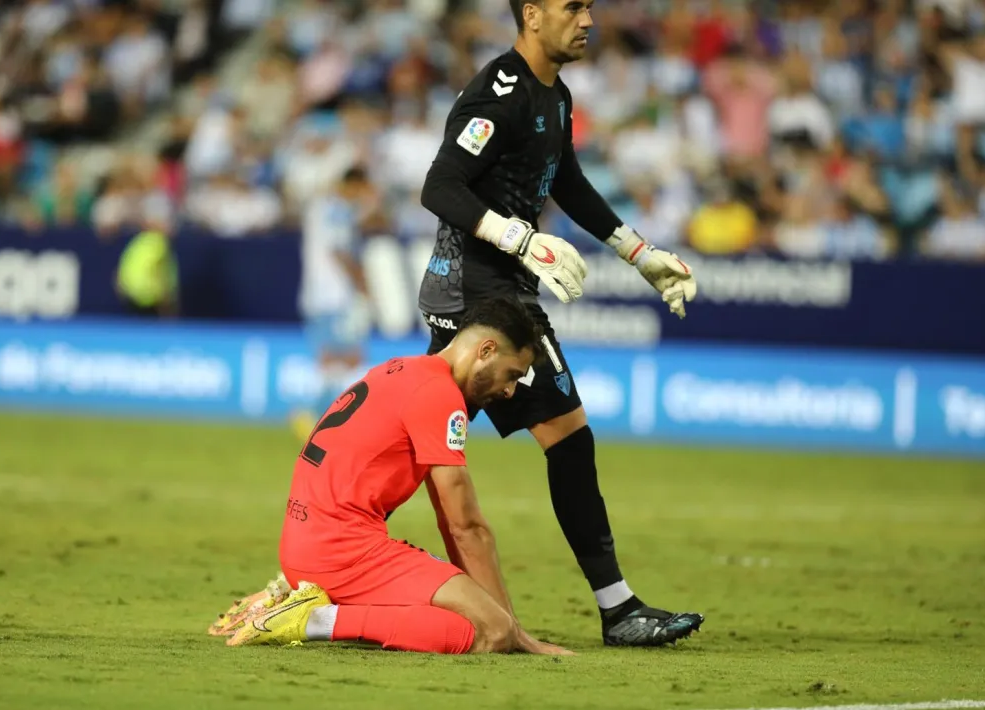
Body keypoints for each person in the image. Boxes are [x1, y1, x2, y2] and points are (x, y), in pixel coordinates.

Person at [415, 0, 703, 647]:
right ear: (532, 15)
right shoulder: (501, 91)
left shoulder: (556, 97)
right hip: (483, 298)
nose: (588, 20)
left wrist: (640, 253)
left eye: (589, 7)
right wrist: (518, 238)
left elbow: (566, 181)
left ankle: (327, 557)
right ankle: (619, 608)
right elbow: (440, 185)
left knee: (420, 438)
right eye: (572, 7)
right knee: (569, 439)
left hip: (475, 290)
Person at [222, 297, 573, 655]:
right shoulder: (439, 395)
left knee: (477, 621)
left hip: (305, 544)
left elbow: (447, 518)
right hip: (342, 551)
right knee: (491, 633)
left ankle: (285, 598)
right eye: (512, 374)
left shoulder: (399, 369)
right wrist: (511, 630)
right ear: (486, 349)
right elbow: (465, 526)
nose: (510, 390)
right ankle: (315, 620)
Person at [291, 165, 377, 441]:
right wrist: (362, 281)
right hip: (335, 293)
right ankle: (314, 415)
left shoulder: (320, 207)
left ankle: (320, 415)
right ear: (354, 185)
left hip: (316, 291)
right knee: (345, 357)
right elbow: (338, 250)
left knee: (341, 357)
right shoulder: (338, 210)